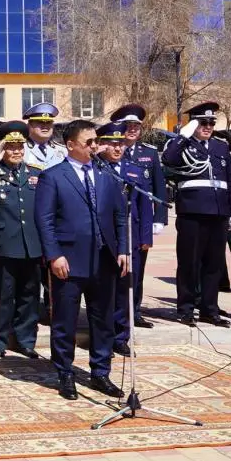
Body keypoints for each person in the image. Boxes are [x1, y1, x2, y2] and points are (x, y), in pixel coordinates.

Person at [34, 119, 130, 401]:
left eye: (95, 141)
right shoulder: (53, 176)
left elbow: (120, 215)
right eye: (88, 142)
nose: (94, 146)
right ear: (71, 145)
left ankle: (101, 372)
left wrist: (123, 249)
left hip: (104, 259)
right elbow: (44, 220)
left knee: (103, 320)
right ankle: (65, 373)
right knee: (65, 321)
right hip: (69, 260)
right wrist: (54, 255)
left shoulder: (106, 174)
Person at [162, 102, 231, 327]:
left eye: (211, 123)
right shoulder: (183, 144)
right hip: (193, 211)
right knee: (189, 262)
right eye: (202, 122)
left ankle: (209, 309)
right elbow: (168, 159)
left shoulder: (220, 147)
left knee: (214, 264)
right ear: (193, 123)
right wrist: (182, 137)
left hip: (218, 212)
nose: (208, 127)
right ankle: (186, 309)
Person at [0, 122, 42, 360]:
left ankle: (26, 340)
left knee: (30, 294)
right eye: (10, 147)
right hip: (2, 243)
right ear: (2, 149)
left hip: (31, 243)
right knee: (3, 294)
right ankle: (0, 340)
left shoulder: (35, 173)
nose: (17, 152)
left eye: (20, 147)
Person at [110, 104, 168, 329]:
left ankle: (135, 310)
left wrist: (159, 218)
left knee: (138, 270)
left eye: (136, 126)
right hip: (119, 221)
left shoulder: (149, 152)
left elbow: (158, 187)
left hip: (139, 221)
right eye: (128, 126)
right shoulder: (112, 150)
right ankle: (119, 315)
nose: (132, 130)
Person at [93, 122, 139, 358]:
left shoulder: (133, 169)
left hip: (131, 236)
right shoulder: (95, 168)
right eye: (112, 143)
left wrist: (147, 235)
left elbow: (143, 207)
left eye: (120, 144)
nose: (117, 148)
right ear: (100, 144)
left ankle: (122, 336)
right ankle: (104, 336)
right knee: (105, 291)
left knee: (126, 289)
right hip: (104, 238)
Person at [22, 102, 66, 326]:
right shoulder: (20, 150)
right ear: (30, 125)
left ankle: (53, 311)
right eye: (40, 123)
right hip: (28, 217)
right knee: (30, 275)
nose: (45, 127)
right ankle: (29, 315)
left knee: (54, 270)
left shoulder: (61, 152)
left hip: (55, 219)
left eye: (48, 123)